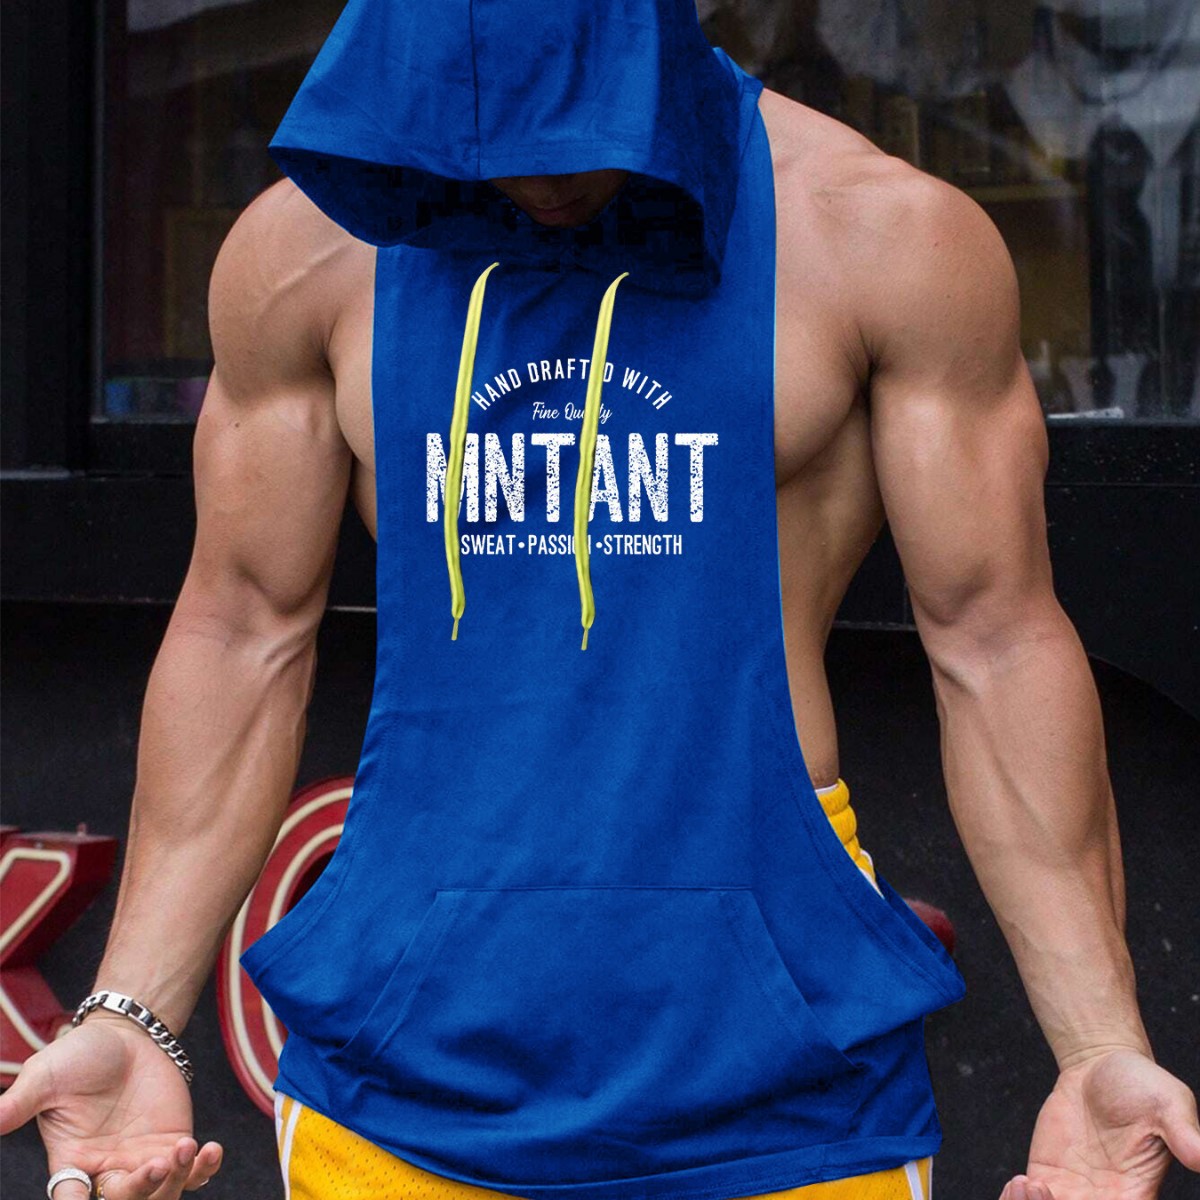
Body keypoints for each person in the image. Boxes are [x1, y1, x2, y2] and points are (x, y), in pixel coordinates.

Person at [3, 2, 1199, 1198]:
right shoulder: (311, 254)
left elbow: (993, 642)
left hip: (781, 1090)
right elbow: (242, 629)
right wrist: (130, 1010)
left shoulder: (878, 237)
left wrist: (1099, 1042)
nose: (541, 172)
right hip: (401, 1093)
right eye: (501, 122)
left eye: (573, 113)